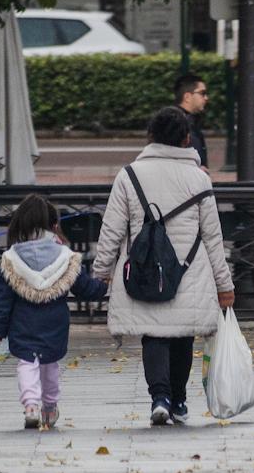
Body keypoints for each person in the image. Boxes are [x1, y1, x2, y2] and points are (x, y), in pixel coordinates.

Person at [93, 106, 234, 426]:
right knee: (182, 335)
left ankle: (160, 397)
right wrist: (225, 285)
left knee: (154, 334)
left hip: (144, 270)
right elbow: (213, 237)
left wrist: (102, 272)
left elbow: (111, 230)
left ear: (151, 137)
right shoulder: (199, 179)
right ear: (187, 139)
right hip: (189, 271)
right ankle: (179, 400)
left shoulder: (128, 176)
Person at [0, 194, 107, 429]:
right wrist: (103, 285)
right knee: (50, 365)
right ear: (54, 225)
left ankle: (30, 405)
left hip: (22, 321)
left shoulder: (11, 260)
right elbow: (84, 287)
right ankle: (50, 407)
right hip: (55, 322)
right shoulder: (65, 257)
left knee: (26, 363)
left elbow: (1, 299)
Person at [173, 72, 209, 168]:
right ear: (187, 97)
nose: (206, 98)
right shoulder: (175, 123)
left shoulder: (190, 120)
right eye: (202, 93)